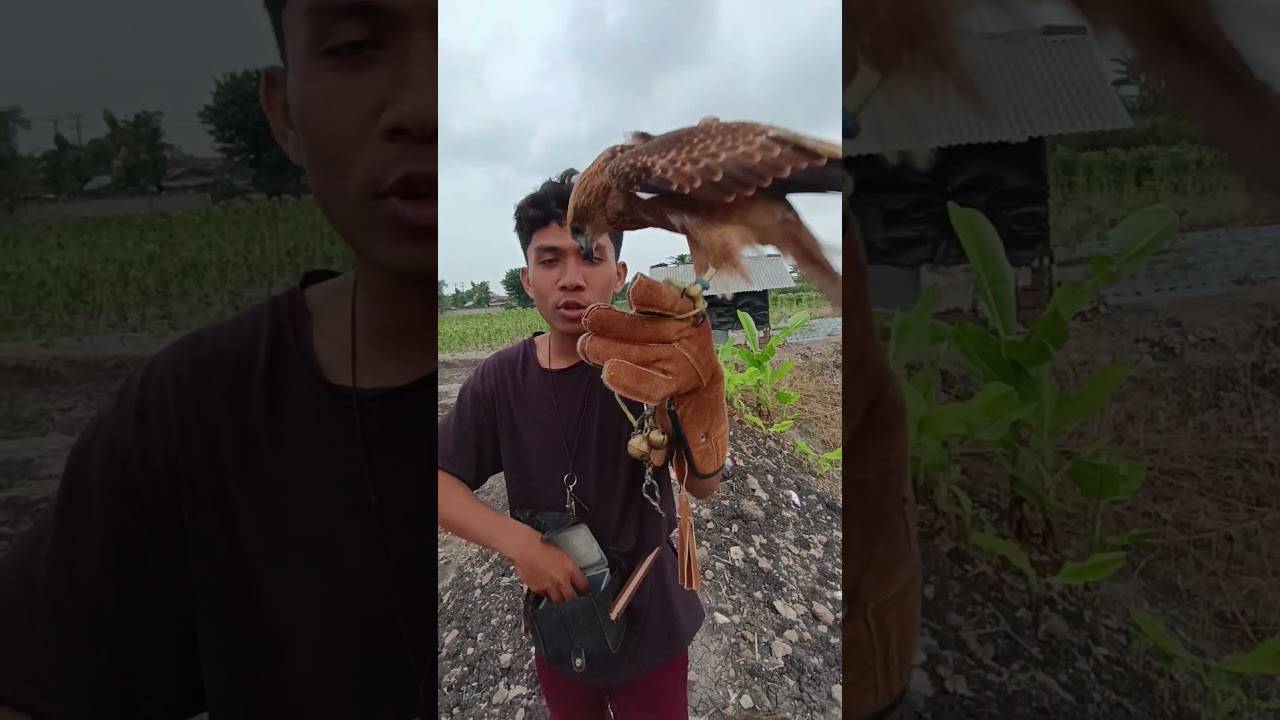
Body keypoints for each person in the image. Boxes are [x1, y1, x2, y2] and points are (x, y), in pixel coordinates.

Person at [0, 1, 435, 718]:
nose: (424, 105)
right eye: (355, 46)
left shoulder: (616, 366)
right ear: (284, 114)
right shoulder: (194, 414)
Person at [437, 170, 724, 720]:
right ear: (527, 279)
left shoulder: (656, 365)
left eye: (589, 257)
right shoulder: (500, 382)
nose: (571, 278)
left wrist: (703, 396)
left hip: (653, 624)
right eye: (550, 260)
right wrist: (523, 547)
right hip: (561, 621)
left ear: (618, 274)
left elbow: (703, 488)